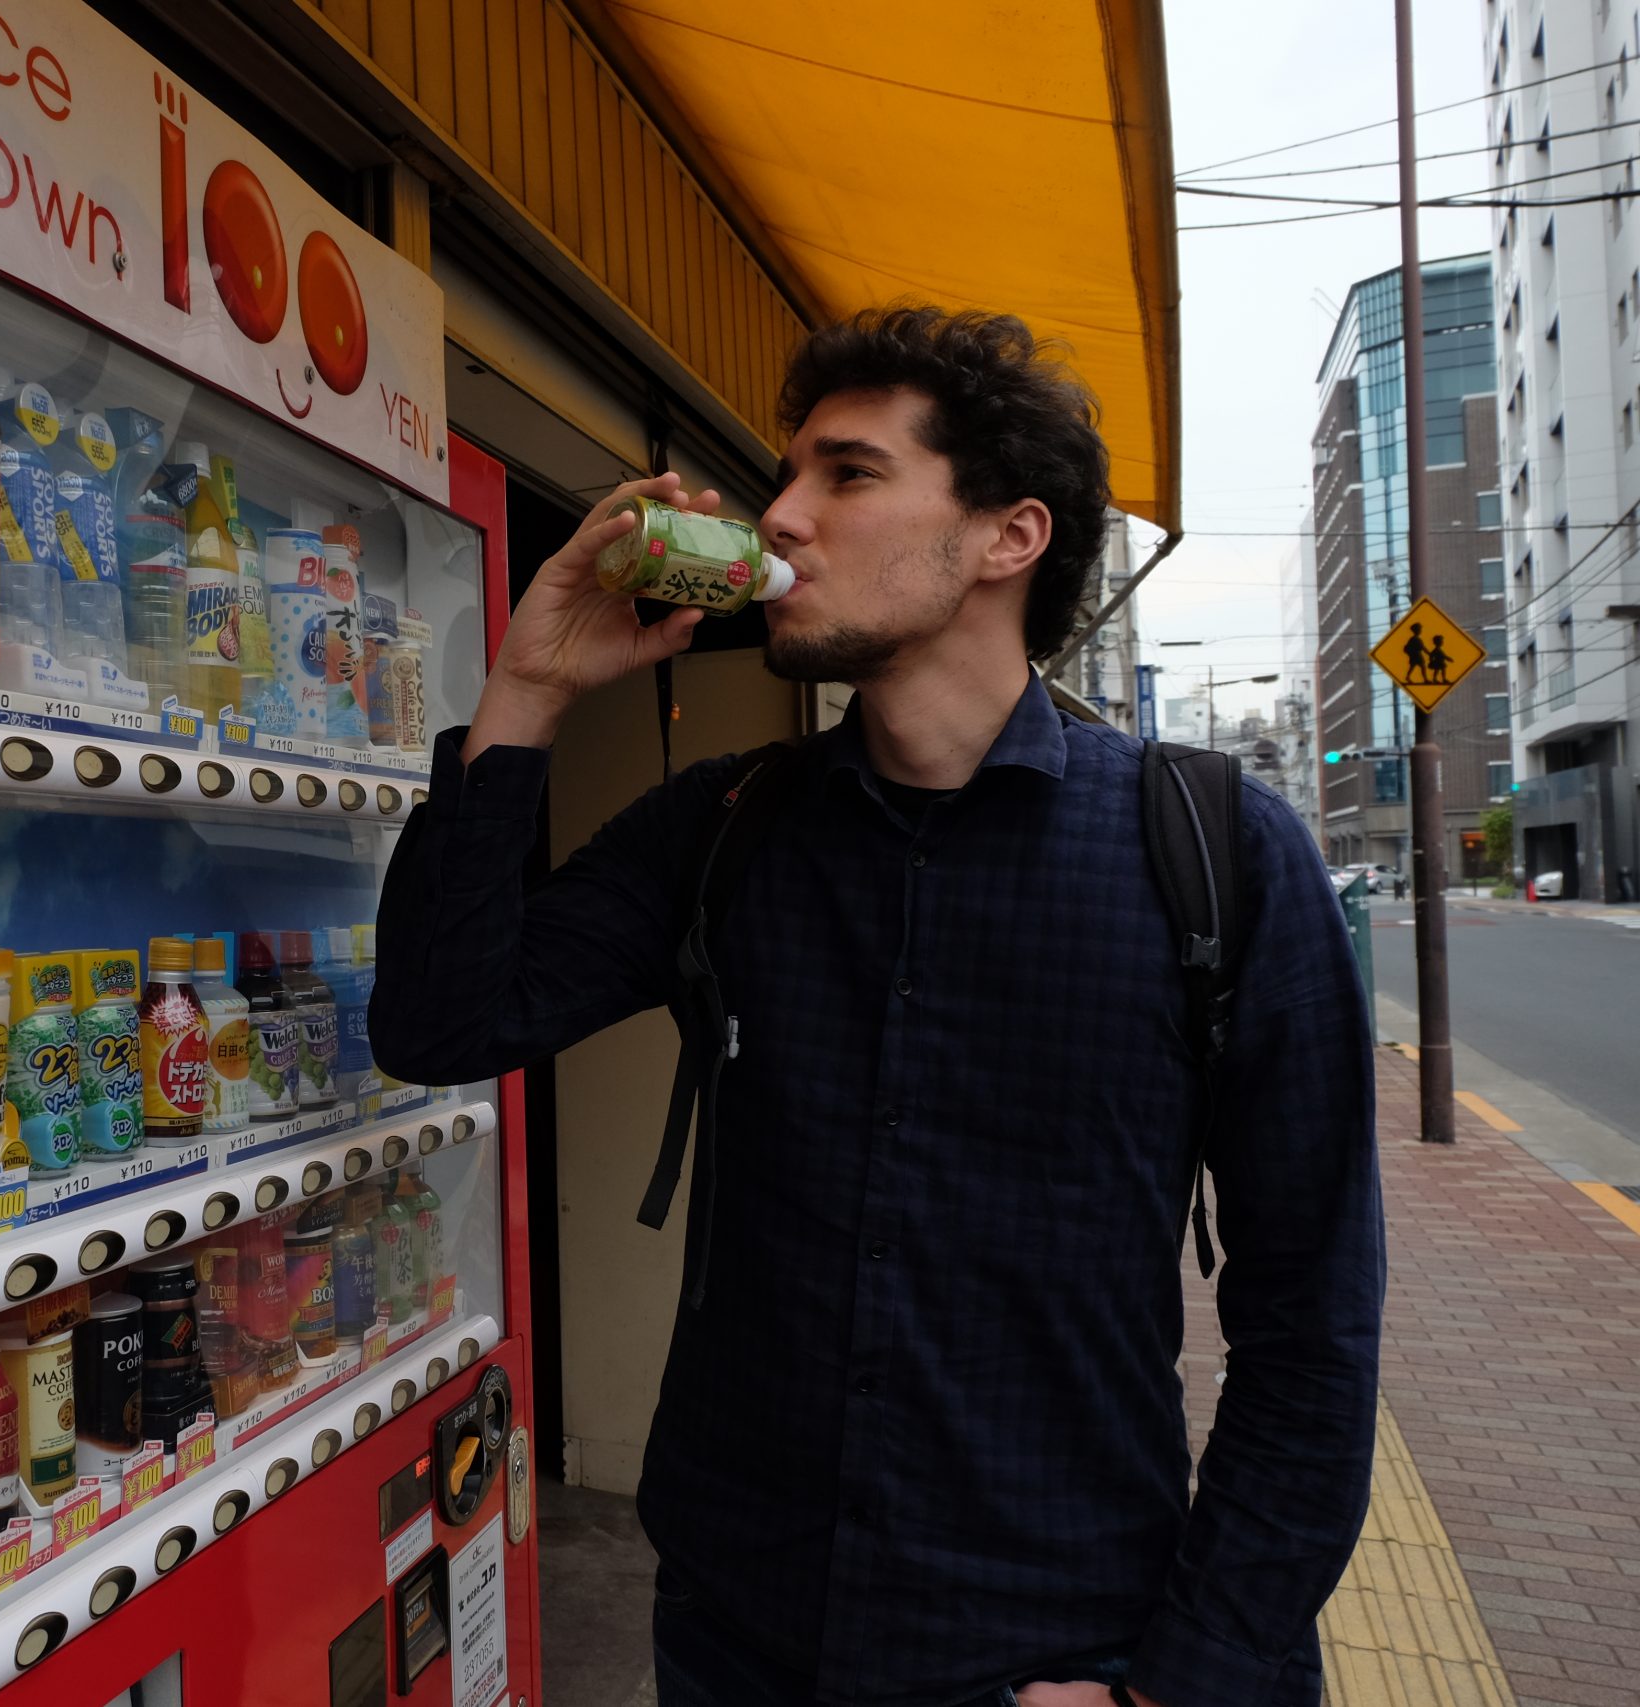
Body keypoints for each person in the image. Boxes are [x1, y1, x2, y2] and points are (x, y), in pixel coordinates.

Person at [370, 308, 1383, 1707]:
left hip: (1061, 1644)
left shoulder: (1214, 855)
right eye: (788, 477)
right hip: (739, 1628)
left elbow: (1313, 1327)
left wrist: (1183, 1680)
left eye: (846, 475)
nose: (780, 517)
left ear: (1006, 538)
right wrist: (529, 686)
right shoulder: (721, 829)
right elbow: (437, 1024)